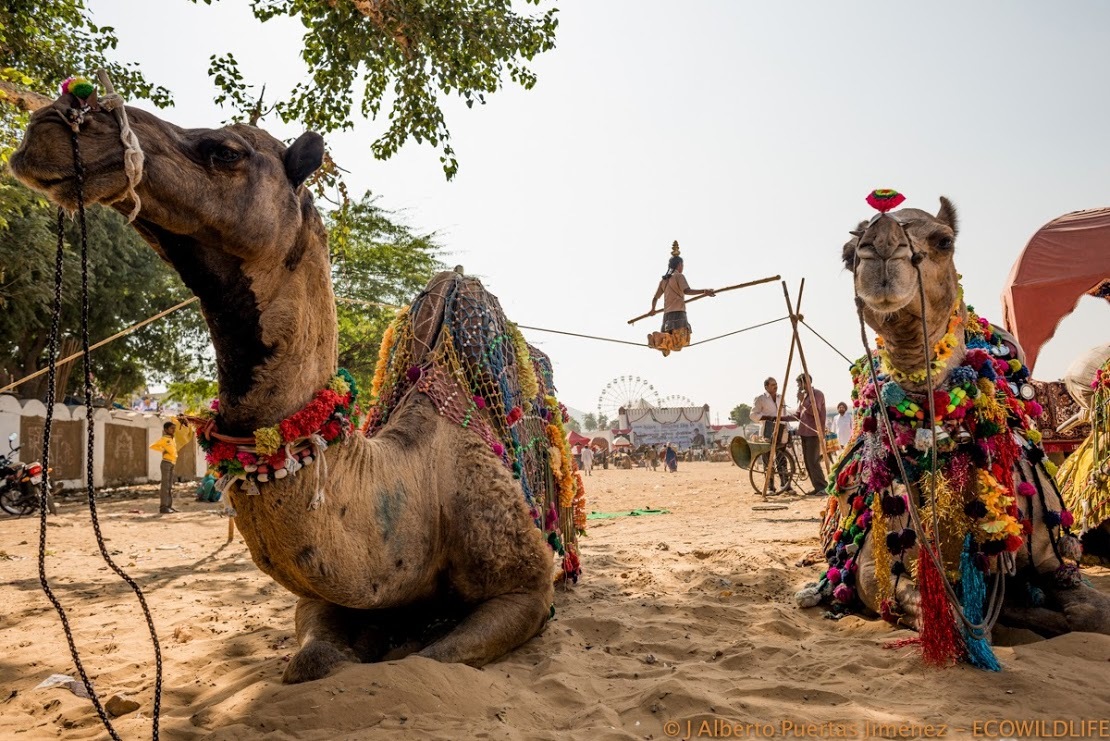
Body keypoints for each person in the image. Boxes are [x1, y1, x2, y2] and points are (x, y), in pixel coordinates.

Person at [647, 243, 715, 356]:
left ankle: (657, 342)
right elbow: (686, 291)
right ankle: (657, 337)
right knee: (681, 342)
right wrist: (704, 291)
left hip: (667, 317)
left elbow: (655, 298)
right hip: (678, 314)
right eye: (682, 265)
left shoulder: (664, 281)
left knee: (672, 344)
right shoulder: (678, 276)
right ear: (679, 265)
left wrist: (653, 309)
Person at [750, 377, 797, 494]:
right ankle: (770, 487)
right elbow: (753, 415)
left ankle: (785, 485)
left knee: (782, 458)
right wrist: (768, 418)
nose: (775, 386)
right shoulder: (760, 398)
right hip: (768, 430)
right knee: (768, 459)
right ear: (766, 386)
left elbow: (784, 415)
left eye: (776, 384)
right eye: (772, 385)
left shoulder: (781, 397)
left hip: (782, 430)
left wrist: (788, 430)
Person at [796, 374, 828, 495]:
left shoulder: (817, 394)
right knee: (808, 461)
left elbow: (815, 411)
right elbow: (799, 415)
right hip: (804, 432)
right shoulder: (805, 397)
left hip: (813, 432)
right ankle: (817, 487)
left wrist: (802, 400)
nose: (799, 387)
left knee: (813, 461)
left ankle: (822, 487)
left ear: (806, 383)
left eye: (800, 384)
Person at [150, 421, 178, 514]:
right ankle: (163, 507)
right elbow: (153, 446)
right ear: (166, 430)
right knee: (165, 486)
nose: (173, 430)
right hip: (166, 463)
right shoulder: (164, 439)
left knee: (169, 486)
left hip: (172, 463)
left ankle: (169, 506)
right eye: (171, 428)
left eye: (174, 428)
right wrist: (163, 450)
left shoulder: (172, 439)